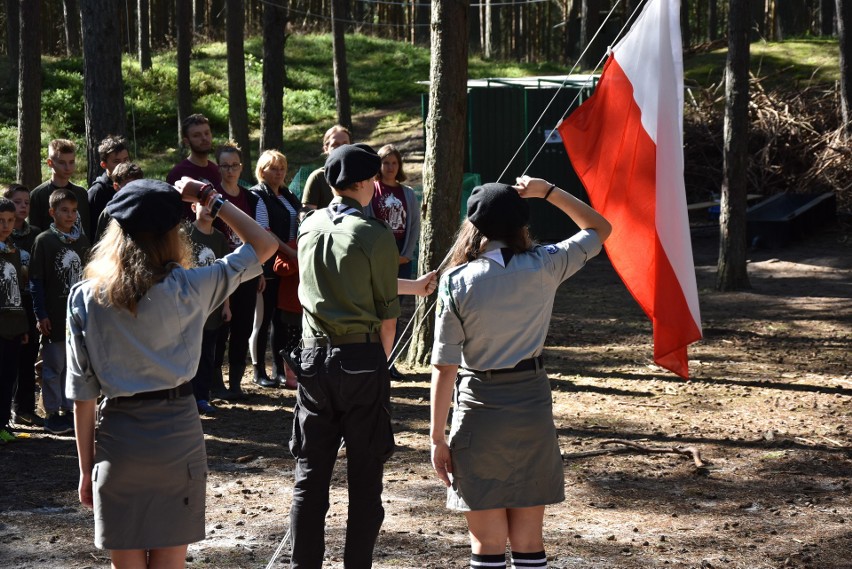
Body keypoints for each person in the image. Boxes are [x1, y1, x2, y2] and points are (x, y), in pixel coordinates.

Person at [66, 178, 277, 568]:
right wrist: (210, 198)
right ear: (172, 235)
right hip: (178, 439)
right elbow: (264, 246)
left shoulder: (85, 297)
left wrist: (85, 469)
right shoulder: (191, 286)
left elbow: (83, 396)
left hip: (119, 443)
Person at [429, 177, 612, 569]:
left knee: (487, 540)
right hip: (532, 406)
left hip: (479, 408)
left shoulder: (455, 282)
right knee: (529, 538)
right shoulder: (545, 263)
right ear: (520, 224)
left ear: (473, 225)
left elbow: (445, 367)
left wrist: (436, 437)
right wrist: (548, 191)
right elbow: (600, 228)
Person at [288, 142, 400, 568]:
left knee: (310, 479)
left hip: (313, 362)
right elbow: (387, 315)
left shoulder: (308, 226)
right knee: (365, 482)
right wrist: (380, 363)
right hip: (362, 360)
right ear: (365, 183)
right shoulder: (373, 234)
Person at [30, 189, 91, 435]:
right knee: (53, 366)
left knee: (72, 364)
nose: (70, 215)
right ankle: (52, 412)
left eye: (74, 211)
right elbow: (36, 281)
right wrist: (40, 314)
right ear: (52, 212)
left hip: (80, 315)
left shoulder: (82, 241)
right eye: (64, 210)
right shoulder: (44, 241)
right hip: (54, 315)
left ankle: (68, 409)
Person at [364, 144, 422, 379]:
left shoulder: (407, 193)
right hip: (377, 257)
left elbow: (415, 224)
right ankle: (373, 360)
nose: (390, 167)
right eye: (385, 163)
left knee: (393, 311)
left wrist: (406, 253)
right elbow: (366, 221)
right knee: (376, 309)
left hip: (402, 258)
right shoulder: (372, 190)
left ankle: (390, 362)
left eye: (394, 163)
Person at [211, 142, 261, 400]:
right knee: (221, 326)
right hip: (220, 270)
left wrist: (260, 271)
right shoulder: (212, 197)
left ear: (241, 167)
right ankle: (216, 382)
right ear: (218, 167)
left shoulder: (250, 197)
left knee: (243, 325)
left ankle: (236, 383)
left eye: (234, 165)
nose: (230, 171)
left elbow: (257, 236)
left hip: (248, 270)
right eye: (225, 166)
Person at [249, 149, 299, 388]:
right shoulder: (258, 195)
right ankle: (258, 371)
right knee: (262, 318)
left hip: (286, 269)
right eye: (273, 168)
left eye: (282, 168)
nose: (278, 173)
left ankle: (279, 369)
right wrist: (289, 251)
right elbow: (263, 231)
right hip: (266, 265)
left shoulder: (288, 195)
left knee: (280, 320)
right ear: (262, 171)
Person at [188, 198, 231, 415]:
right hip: (189, 308)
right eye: (204, 204)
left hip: (212, 307)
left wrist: (226, 305)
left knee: (207, 355)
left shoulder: (220, 238)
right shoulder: (184, 235)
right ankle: (186, 399)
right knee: (189, 354)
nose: (208, 209)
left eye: (213, 205)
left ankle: (202, 397)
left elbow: (225, 276)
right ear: (194, 207)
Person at [4, 185, 42, 428]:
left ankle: (25, 409)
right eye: (17, 202)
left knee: (28, 358)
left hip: (29, 301)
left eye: (26, 202)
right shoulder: (4, 235)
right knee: (8, 361)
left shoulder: (36, 234)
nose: (23, 207)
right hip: (7, 304)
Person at [0, 197, 28, 444]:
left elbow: (18, 289)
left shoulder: (14, 252)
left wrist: (23, 324)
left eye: (10, 220)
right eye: (0, 221)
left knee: (8, 376)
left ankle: (3, 425)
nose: (6, 225)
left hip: (13, 326)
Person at [29, 139, 90, 237]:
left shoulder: (81, 193)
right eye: (62, 162)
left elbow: (86, 229)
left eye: (71, 162)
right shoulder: (38, 195)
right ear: (50, 163)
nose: (68, 167)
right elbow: (34, 231)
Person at [166, 114, 222, 220]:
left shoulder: (216, 170)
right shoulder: (177, 174)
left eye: (207, 133)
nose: (204, 138)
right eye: (197, 135)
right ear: (186, 141)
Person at [87, 135, 130, 237]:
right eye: (116, 161)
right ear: (103, 165)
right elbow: (92, 231)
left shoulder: (133, 185)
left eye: (126, 160)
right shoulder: (97, 192)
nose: (123, 165)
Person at [301, 125, 351, 211]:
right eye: (335, 145)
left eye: (345, 144)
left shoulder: (358, 176)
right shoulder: (318, 177)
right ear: (326, 149)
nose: (341, 148)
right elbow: (306, 215)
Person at [93, 162, 144, 243]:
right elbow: (100, 243)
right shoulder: (109, 212)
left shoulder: (148, 208)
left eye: (137, 185)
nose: (134, 190)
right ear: (116, 186)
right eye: (129, 186)